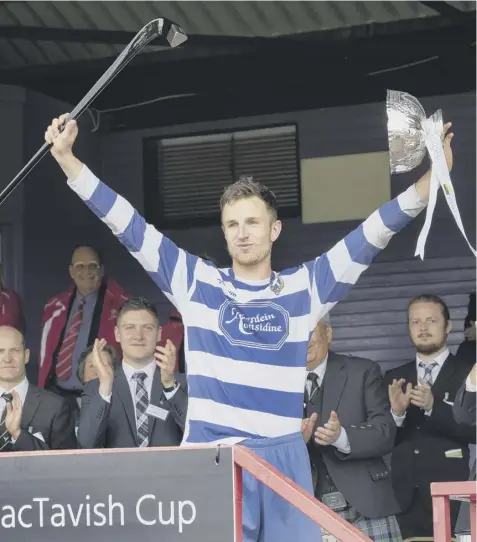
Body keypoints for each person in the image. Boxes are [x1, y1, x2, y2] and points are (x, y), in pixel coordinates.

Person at [45, 113, 453, 542]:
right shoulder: (195, 281)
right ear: (223, 233)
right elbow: (127, 225)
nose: (242, 233)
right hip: (212, 460)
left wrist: (431, 180)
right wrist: (69, 161)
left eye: (252, 222)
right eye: (232, 225)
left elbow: (374, 233)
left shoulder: (306, 287)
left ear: (274, 229)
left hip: (283, 458)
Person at [303, 315, 402, 542]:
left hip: (366, 510)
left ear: (328, 333)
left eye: (310, 330)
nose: (304, 339)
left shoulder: (362, 371)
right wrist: (293, 440)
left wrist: (342, 437)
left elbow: (385, 432)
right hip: (305, 512)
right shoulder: (277, 383)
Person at [384, 294, 475, 539]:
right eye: (415, 322)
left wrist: (434, 407)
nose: (423, 328)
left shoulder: (469, 374)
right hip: (401, 498)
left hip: (452, 496)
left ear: (448, 326)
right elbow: (381, 438)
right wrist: (397, 414)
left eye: (431, 320)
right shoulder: (394, 377)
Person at [77, 297, 187, 449]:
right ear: (117, 333)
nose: (138, 336)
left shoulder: (183, 384)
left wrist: (169, 386)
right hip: (118, 472)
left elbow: (200, 436)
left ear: (159, 333)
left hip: (170, 472)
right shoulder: (95, 388)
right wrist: (106, 387)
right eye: (129, 328)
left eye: (147, 328)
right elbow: (86, 444)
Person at [39, 245, 129, 404]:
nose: (86, 271)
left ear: (101, 270)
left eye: (92, 265)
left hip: (98, 397)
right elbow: (45, 356)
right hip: (55, 396)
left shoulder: (122, 306)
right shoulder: (54, 306)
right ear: (71, 271)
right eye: (80, 266)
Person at [0, 325, 76, 452]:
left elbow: (66, 464)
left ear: (27, 356)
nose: (7, 359)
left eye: (15, 350)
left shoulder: (55, 406)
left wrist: (18, 434)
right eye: (0, 351)